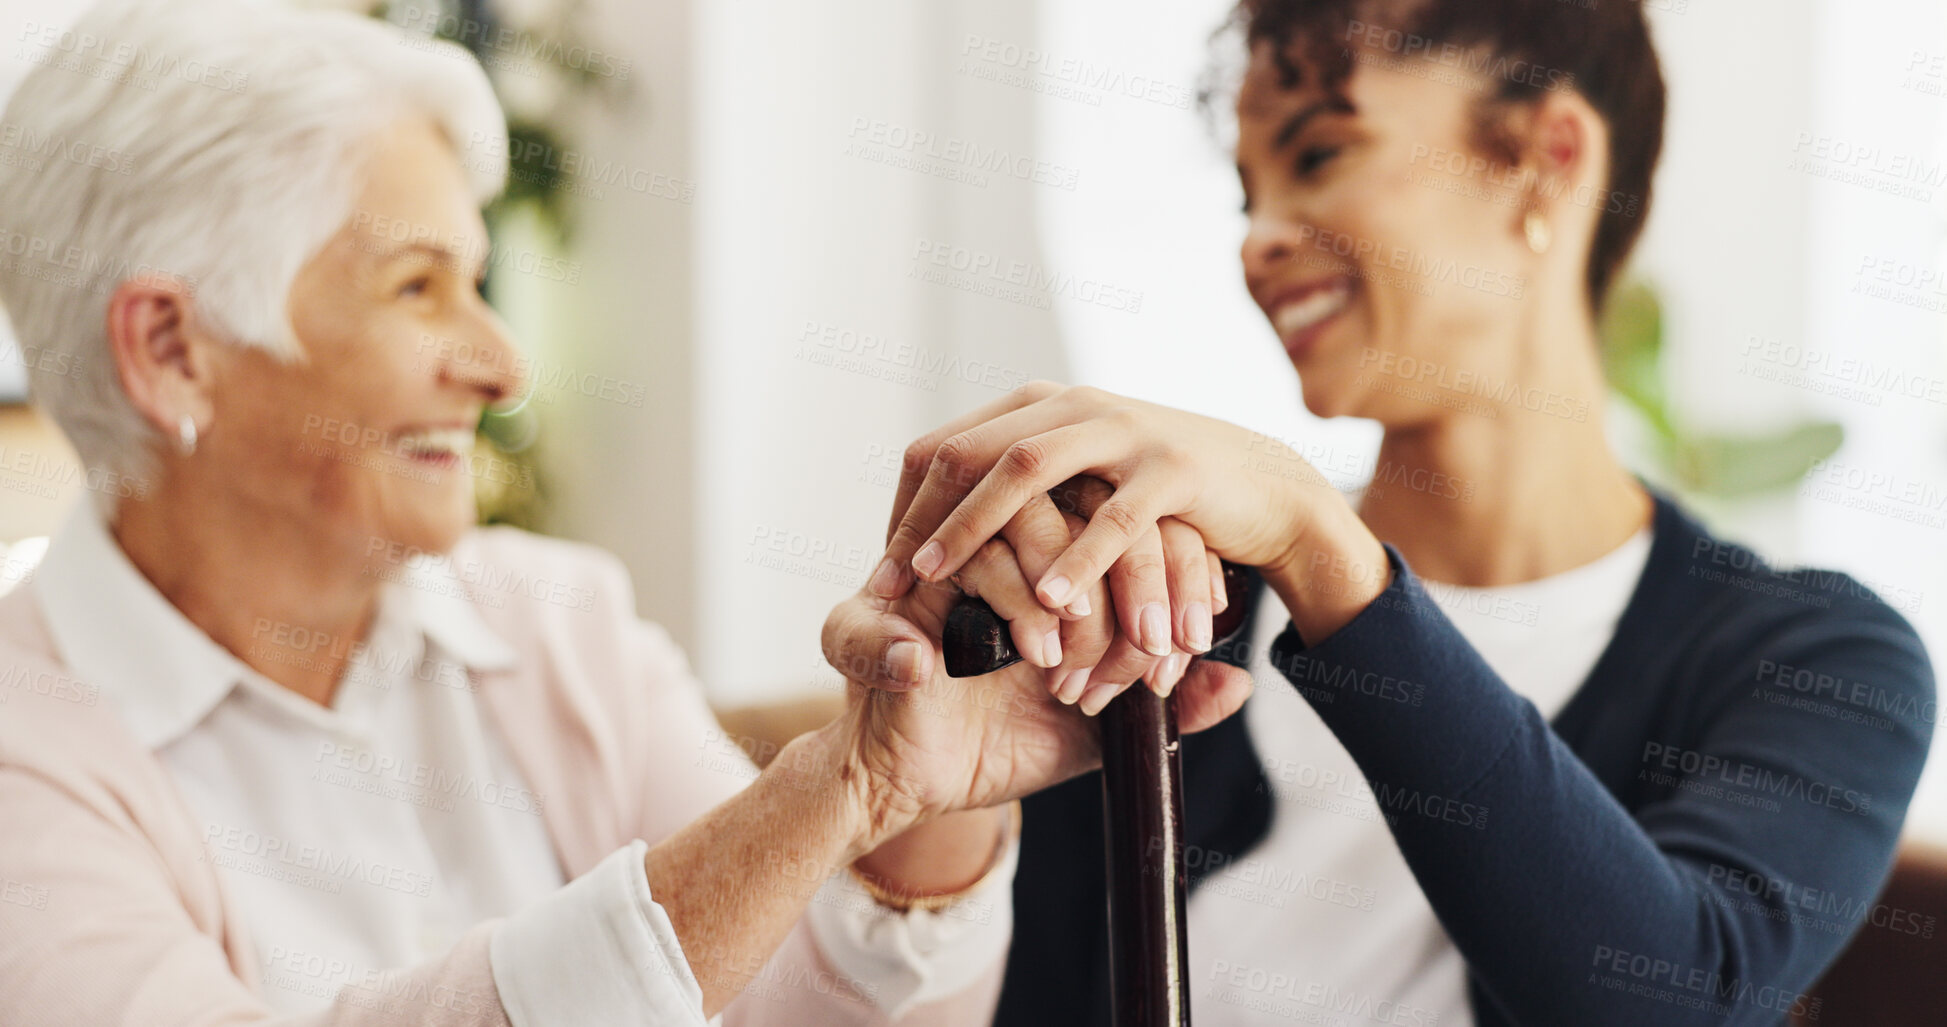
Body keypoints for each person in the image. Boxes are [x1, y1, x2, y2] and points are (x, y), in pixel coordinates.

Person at [0, 1, 1250, 1023]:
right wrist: (830, 791)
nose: (501, 365)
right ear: (171, 347)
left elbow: (811, 1012)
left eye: (478, 280)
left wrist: (919, 800)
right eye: (417, 284)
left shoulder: (550, 622)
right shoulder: (25, 745)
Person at [840, 0, 1938, 1024]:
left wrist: (1321, 542)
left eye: (1320, 154)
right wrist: (928, 755)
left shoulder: (1818, 656)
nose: (1259, 238)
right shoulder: (1173, 608)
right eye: (1246, 192)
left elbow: (1673, 993)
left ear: (1545, 160)